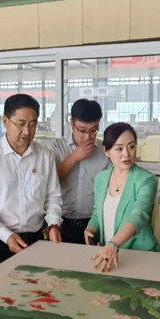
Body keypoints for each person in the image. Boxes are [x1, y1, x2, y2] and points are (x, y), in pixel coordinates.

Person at [0, 94, 62, 267]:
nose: (27, 131)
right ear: (5, 121)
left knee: (35, 282)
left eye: (32, 124)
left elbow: (53, 197)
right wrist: (7, 236)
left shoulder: (45, 156)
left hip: (35, 240)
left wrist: (53, 224)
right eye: (21, 124)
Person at [84, 122, 160, 272]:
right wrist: (91, 229)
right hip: (108, 254)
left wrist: (113, 244)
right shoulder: (100, 178)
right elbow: (97, 213)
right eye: (119, 149)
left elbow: (138, 216)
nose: (127, 154)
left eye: (131, 147)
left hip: (140, 256)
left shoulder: (146, 180)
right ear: (106, 151)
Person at [48, 99, 110, 244]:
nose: (88, 137)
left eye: (93, 130)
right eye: (82, 130)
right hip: (59, 222)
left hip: (92, 223)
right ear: (72, 124)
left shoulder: (105, 152)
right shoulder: (56, 147)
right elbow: (48, 181)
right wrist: (74, 157)